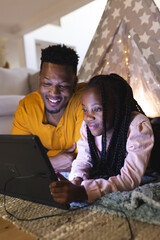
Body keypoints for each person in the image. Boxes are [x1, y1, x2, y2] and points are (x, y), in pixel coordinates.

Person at [49, 74, 154, 204]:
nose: (88, 117)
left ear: (118, 107)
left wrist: (83, 191)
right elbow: (83, 160)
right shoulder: (88, 127)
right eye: (85, 109)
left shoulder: (137, 126)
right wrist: (76, 180)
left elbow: (129, 180)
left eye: (97, 109)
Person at [11, 44, 86, 172]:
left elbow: (83, 158)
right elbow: (17, 159)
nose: (53, 92)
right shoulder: (27, 107)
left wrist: (41, 158)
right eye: (47, 83)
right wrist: (52, 163)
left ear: (74, 83)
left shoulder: (86, 100)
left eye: (62, 86)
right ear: (39, 78)